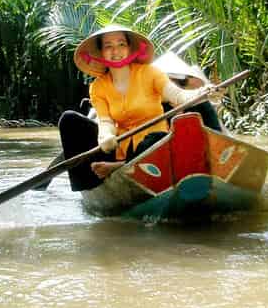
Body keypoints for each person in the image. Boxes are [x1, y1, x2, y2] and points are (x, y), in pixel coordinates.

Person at [58, 25, 217, 191]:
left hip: (153, 146)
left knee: (155, 139)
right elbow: (105, 121)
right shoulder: (97, 87)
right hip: (120, 147)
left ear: (129, 48)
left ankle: (121, 166)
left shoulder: (150, 73)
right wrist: (106, 136)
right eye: (108, 46)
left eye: (121, 44)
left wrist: (203, 93)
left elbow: (178, 96)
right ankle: (91, 187)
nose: (116, 51)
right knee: (69, 120)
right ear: (101, 52)